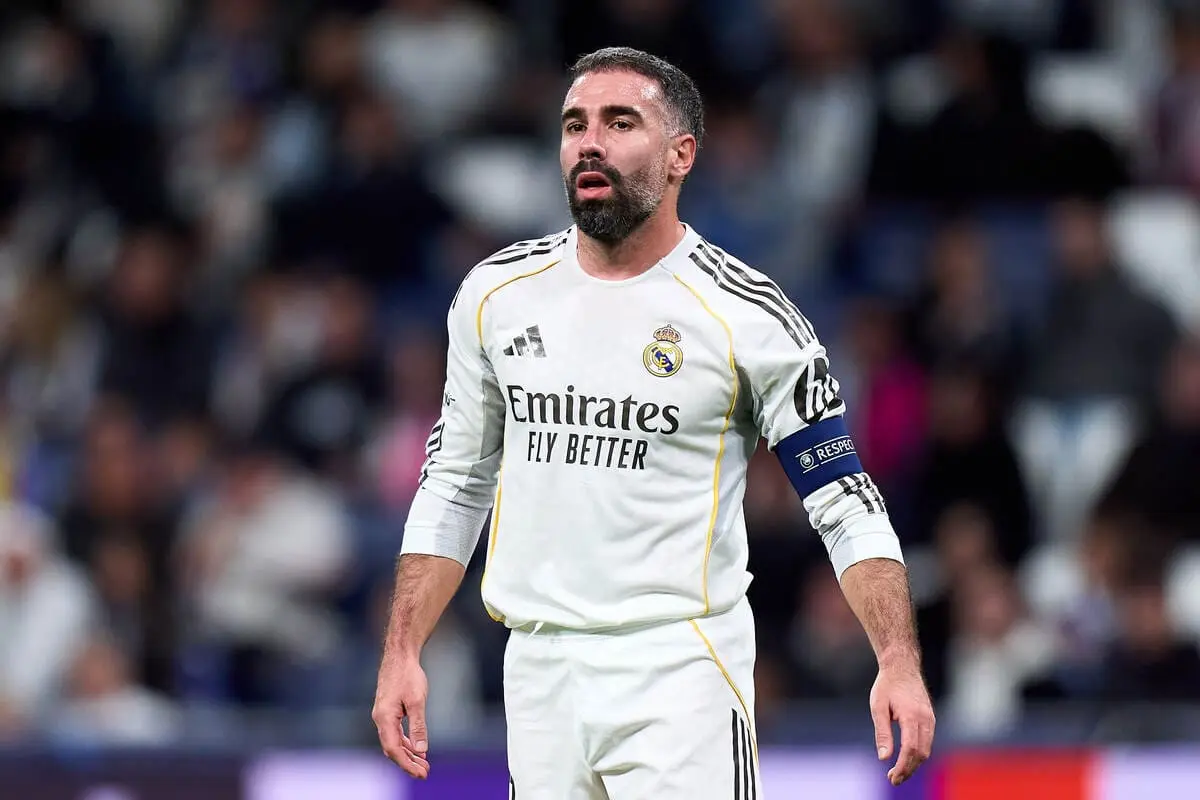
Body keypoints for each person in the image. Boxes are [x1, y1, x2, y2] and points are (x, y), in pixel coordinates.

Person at [372, 47, 935, 797]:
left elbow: (842, 498)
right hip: (539, 668)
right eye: (575, 124)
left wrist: (896, 658)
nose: (590, 142)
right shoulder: (495, 297)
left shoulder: (750, 317)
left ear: (681, 156)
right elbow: (456, 481)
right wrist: (402, 646)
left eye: (619, 121)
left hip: (680, 670)